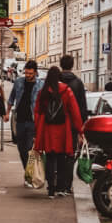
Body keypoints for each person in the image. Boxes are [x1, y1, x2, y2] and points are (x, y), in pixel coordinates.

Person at [34, 66, 82, 198]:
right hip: (63, 129)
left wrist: (37, 129)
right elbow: (75, 111)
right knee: (61, 158)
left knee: (49, 158)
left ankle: (50, 189)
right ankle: (60, 188)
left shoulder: (42, 92)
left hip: (48, 129)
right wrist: (80, 130)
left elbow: (37, 112)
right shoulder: (67, 91)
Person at [8, 60, 43, 185]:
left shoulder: (40, 85)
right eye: (26, 73)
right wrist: (7, 113)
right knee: (21, 149)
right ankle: (27, 172)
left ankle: (30, 176)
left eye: (30, 73)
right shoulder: (18, 82)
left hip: (32, 121)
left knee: (29, 149)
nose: (27, 75)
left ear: (35, 72)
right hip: (20, 120)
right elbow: (11, 98)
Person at [58, 54, 88, 194]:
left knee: (58, 153)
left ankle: (58, 182)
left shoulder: (55, 81)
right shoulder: (78, 83)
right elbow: (82, 106)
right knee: (70, 154)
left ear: (60, 64)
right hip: (72, 125)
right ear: (72, 65)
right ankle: (67, 184)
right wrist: (82, 126)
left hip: (56, 124)